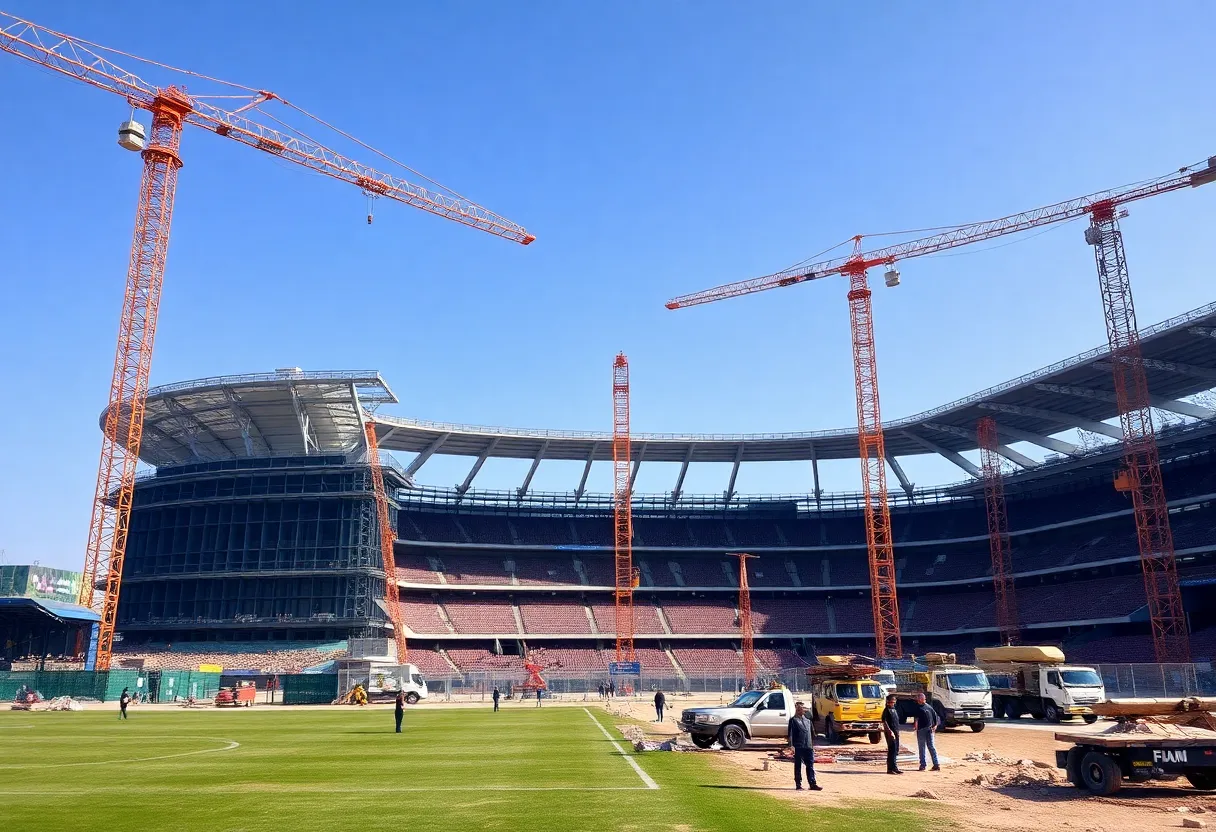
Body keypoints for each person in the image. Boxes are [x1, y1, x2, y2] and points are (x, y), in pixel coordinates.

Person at [786, 701, 822, 791]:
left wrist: (814, 744)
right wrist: (791, 746)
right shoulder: (793, 720)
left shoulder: (808, 721)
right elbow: (790, 734)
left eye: (802, 708)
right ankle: (798, 784)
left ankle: (812, 783)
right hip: (798, 746)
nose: (802, 709)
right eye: (800, 708)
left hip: (808, 746)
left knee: (810, 765)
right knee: (798, 765)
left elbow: (812, 734)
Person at [913, 692, 940, 771]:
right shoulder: (917, 708)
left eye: (924, 699)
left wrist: (935, 726)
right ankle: (923, 765)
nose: (924, 700)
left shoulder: (928, 707)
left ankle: (936, 764)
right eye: (922, 699)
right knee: (922, 748)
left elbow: (935, 716)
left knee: (931, 747)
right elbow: (916, 719)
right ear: (919, 699)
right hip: (921, 730)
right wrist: (916, 727)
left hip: (929, 730)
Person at [882, 694, 903, 774]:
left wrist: (897, 732)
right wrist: (890, 732)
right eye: (891, 702)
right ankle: (890, 769)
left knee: (896, 750)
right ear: (888, 702)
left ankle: (894, 767)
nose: (893, 703)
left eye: (894, 702)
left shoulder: (894, 709)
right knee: (892, 750)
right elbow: (884, 722)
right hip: (890, 734)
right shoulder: (886, 710)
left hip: (896, 732)